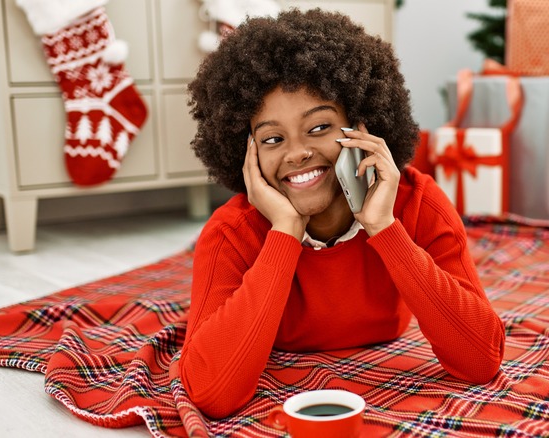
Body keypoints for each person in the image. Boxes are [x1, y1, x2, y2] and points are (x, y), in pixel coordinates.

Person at [177, 8, 506, 419]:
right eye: (273, 138)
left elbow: (481, 360)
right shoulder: (232, 232)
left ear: (362, 129)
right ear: (248, 154)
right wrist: (285, 231)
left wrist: (383, 226)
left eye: (319, 128)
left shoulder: (416, 202)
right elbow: (211, 393)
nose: (297, 153)